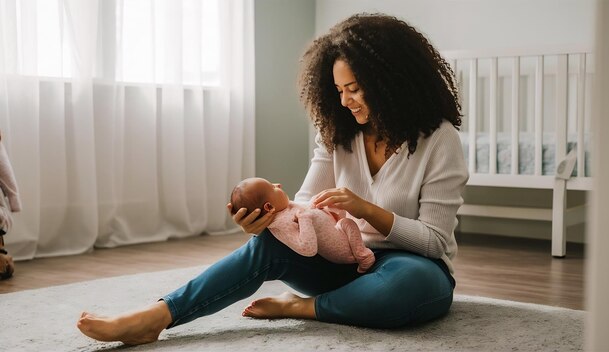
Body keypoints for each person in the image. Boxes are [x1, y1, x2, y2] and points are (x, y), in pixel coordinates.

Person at [76, 13, 468, 345]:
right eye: (338, 91)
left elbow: (434, 242)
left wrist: (368, 210)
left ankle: (301, 307)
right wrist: (271, 220)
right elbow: (305, 204)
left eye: (354, 89)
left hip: (407, 266)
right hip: (339, 261)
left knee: (411, 287)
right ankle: (158, 316)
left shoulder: (440, 139)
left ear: (391, 82)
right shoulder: (337, 131)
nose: (345, 101)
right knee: (266, 245)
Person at [230, 177, 375, 273]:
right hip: (343, 252)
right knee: (348, 223)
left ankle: (361, 253)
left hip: (339, 232)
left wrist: (315, 202)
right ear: (269, 207)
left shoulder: (286, 207)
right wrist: (305, 218)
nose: (278, 185)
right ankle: (363, 256)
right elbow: (308, 249)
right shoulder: (281, 224)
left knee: (345, 221)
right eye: (273, 188)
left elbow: (306, 207)